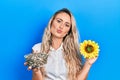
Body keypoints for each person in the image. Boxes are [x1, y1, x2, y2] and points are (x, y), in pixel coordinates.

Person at [24, 8, 98, 80]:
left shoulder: (76, 50)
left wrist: (88, 64)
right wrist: (36, 71)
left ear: (68, 31)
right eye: (59, 21)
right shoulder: (37, 48)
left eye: (67, 25)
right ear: (51, 22)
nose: (61, 26)